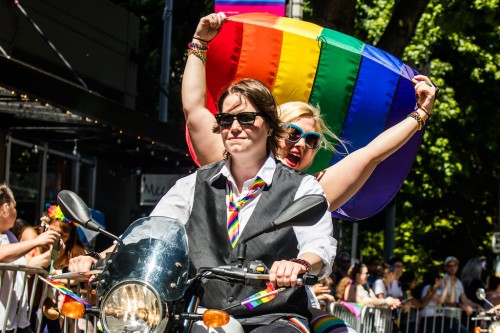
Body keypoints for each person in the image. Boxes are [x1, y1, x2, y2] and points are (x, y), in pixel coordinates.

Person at [71, 78, 336, 332]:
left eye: (245, 118)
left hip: (272, 316)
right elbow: (150, 232)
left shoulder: (302, 187)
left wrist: (299, 264)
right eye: (225, 119)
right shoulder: (194, 183)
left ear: (269, 125)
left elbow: (319, 244)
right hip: (199, 314)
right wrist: (96, 259)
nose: (233, 127)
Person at [182, 12, 438, 215]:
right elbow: (193, 108)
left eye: (312, 140)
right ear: (270, 130)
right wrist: (200, 42)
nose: (302, 143)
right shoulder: (225, 164)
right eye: (293, 133)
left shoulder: (310, 193)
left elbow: (371, 155)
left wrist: (422, 113)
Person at [0, 183, 59, 333]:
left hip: (17, 320)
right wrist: (36, 241)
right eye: (14, 207)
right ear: (5, 208)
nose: (16, 212)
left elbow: (27, 265)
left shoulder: (9, 235)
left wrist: (53, 252)